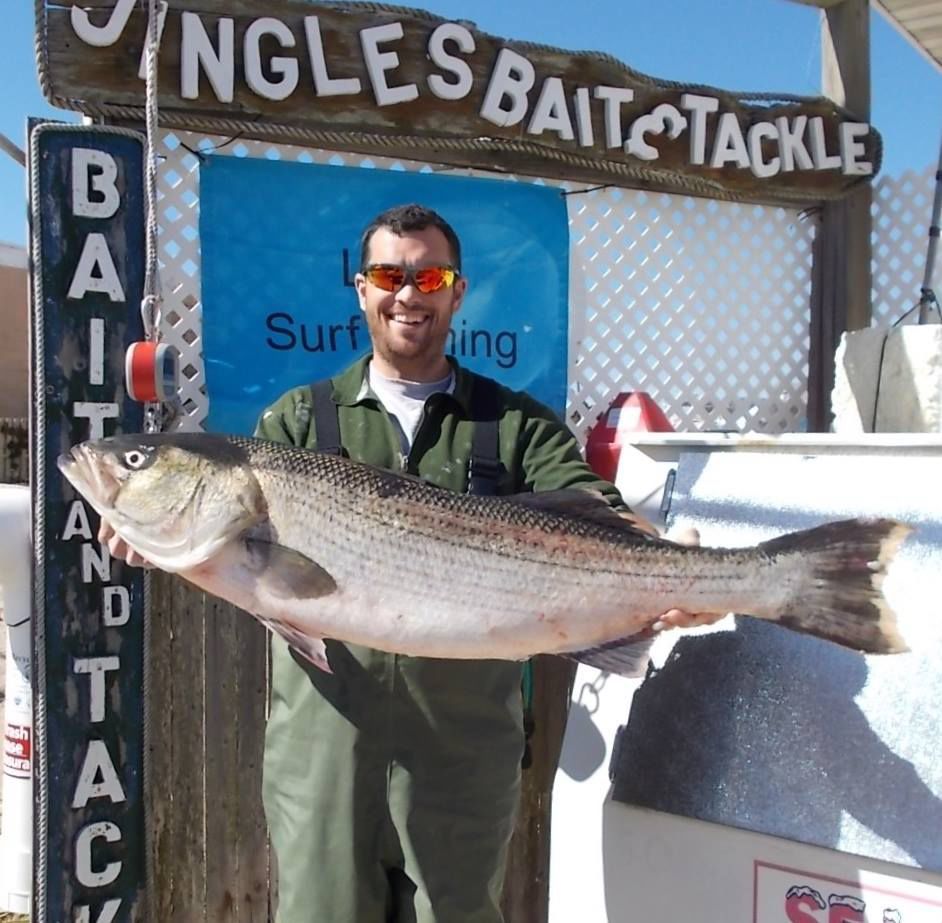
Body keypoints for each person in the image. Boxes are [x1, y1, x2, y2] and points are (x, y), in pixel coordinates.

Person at [101, 203, 713, 923]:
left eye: (432, 276)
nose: (409, 293)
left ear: (458, 291)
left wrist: (677, 573)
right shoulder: (297, 422)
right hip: (324, 756)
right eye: (390, 274)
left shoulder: (515, 425)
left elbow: (596, 510)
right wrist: (149, 534)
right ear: (361, 288)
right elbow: (236, 562)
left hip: (462, 756)